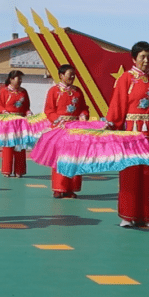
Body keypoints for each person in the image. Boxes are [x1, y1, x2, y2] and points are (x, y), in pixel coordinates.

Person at [107, 41, 149, 228]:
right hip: (132, 131)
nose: (146, 60)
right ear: (134, 58)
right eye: (142, 57)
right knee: (130, 172)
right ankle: (128, 215)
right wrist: (112, 124)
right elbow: (118, 104)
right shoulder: (126, 78)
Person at [44, 64, 89, 198]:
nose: (73, 77)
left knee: (74, 158)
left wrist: (83, 115)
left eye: (74, 75)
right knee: (60, 158)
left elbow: (83, 107)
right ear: (61, 76)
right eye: (70, 75)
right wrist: (58, 121)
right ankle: (59, 188)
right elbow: (49, 110)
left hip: (75, 128)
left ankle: (71, 188)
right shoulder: (54, 91)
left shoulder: (77, 91)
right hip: (60, 128)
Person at [0, 70, 30, 177]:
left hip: (20, 121)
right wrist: (5, 112)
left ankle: (19, 171)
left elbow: (26, 107)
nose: (20, 81)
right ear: (11, 79)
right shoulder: (4, 91)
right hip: (8, 121)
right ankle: (7, 171)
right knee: (8, 146)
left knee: (20, 145)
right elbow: (0, 105)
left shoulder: (23, 91)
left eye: (21, 78)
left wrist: (29, 113)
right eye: (18, 78)